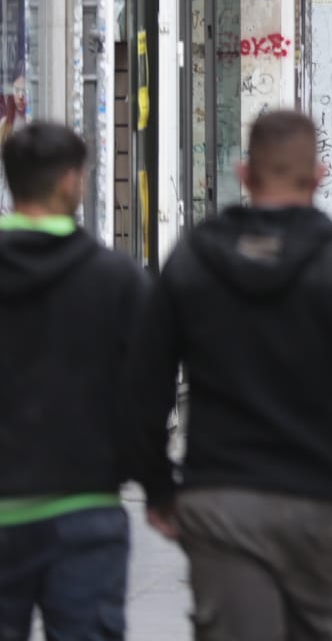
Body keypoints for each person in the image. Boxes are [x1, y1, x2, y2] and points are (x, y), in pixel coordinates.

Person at [130, 111, 332, 638]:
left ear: (245, 174)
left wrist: (157, 487)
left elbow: (146, 384)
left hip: (222, 504)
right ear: (320, 174)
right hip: (322, 506)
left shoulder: (196, 257)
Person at [0, 124, 147, 641]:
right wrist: (154, 482)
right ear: (69, 182)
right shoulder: (115, 279)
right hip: (85, 508)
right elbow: (144, 394)